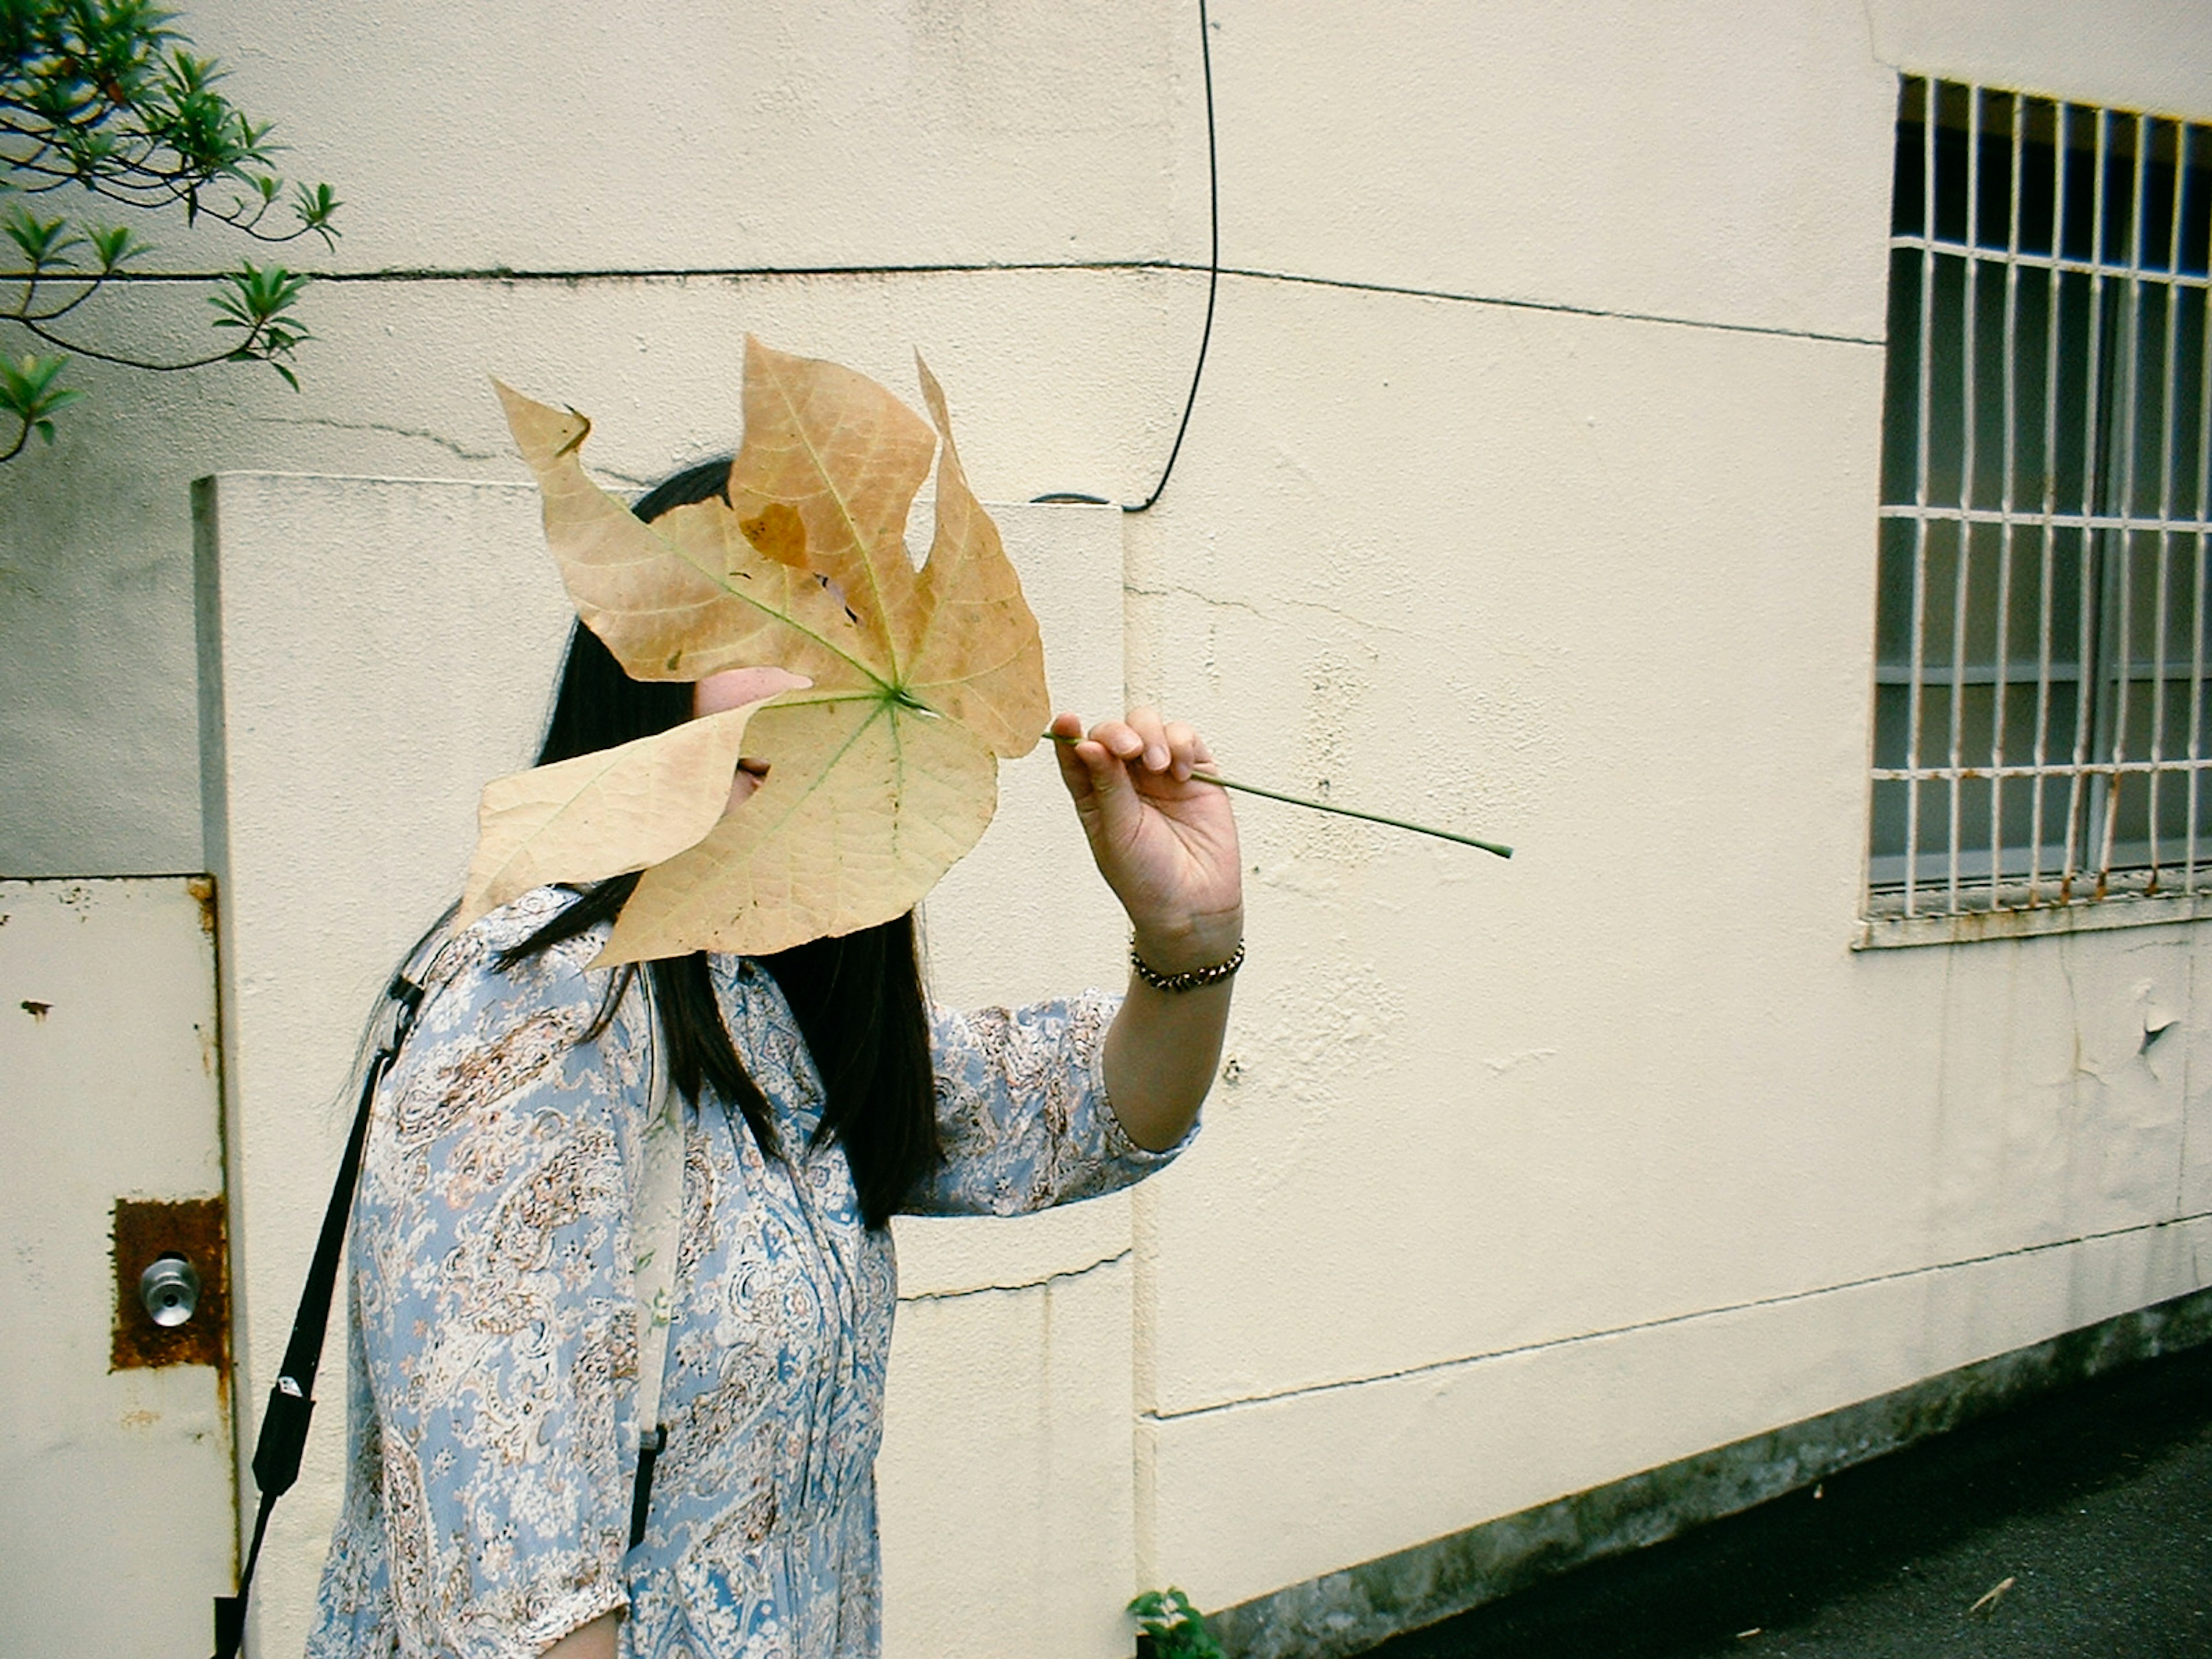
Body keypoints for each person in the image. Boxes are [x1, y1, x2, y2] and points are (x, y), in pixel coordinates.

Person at [306, 461, 1243, 1659]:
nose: (818, 682)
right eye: (763, 625)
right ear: (644, 664)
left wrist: (1191, 938)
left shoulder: (770, 991)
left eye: (854, 640)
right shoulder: (547, 1006)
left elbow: (1092, 1118)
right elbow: (523, 1608)